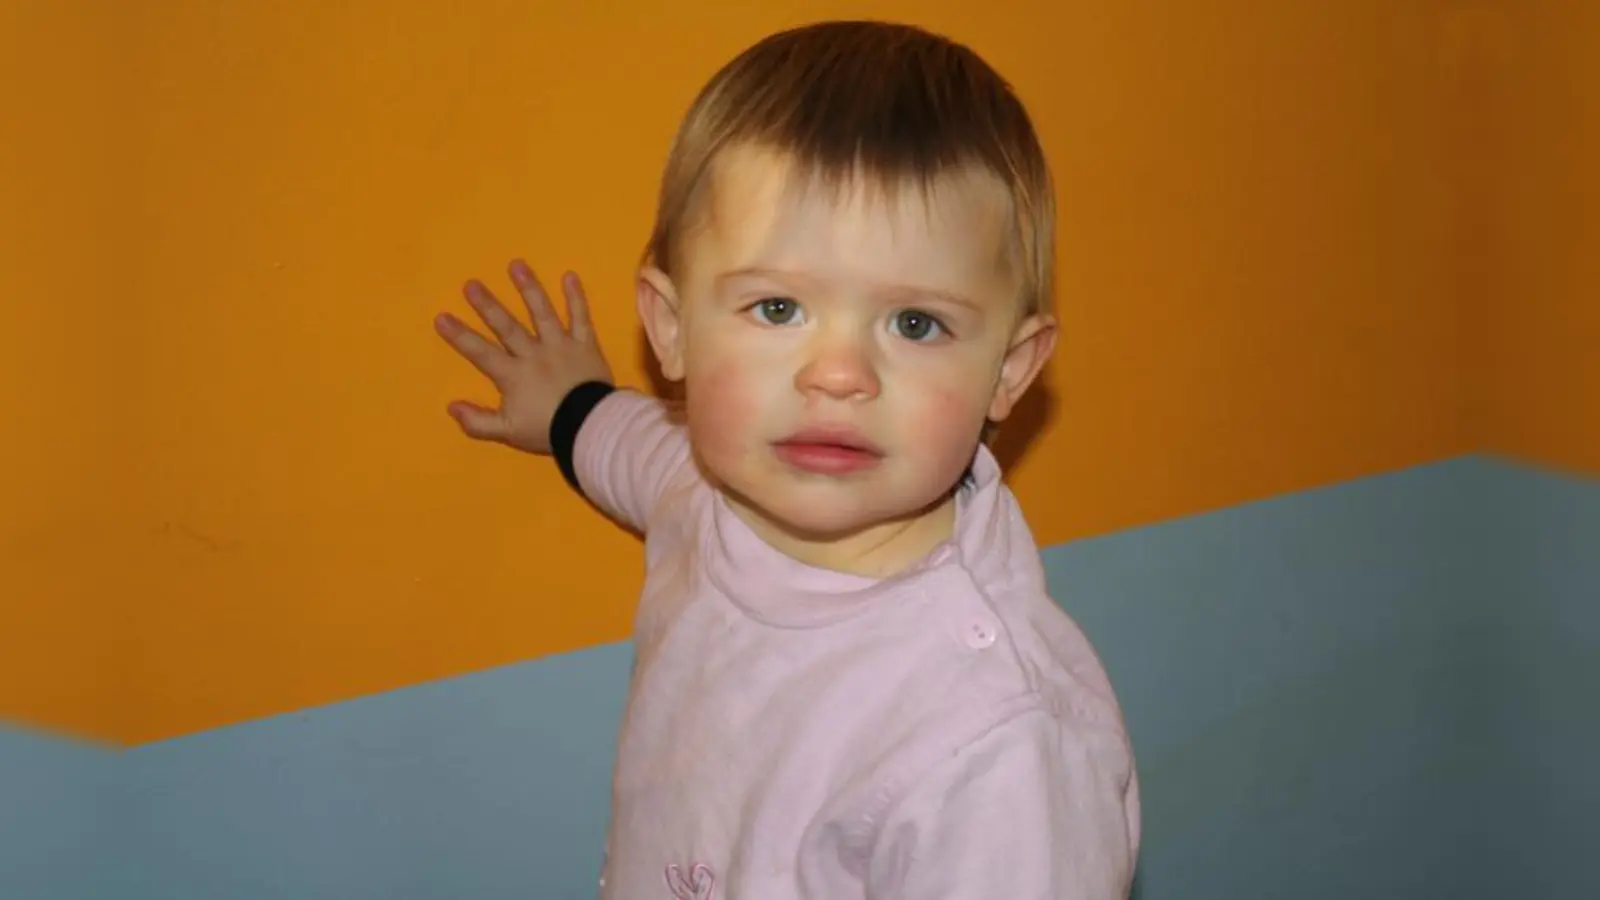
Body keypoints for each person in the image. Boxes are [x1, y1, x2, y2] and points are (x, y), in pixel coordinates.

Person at [434, 19, 1140, 899]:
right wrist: (571, 407)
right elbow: (636, 455)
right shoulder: (706, 489)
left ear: (1009, 370)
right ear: (671, 328)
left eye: (915, 323)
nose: (838, 375)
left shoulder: (994, 748)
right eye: (777, 310)